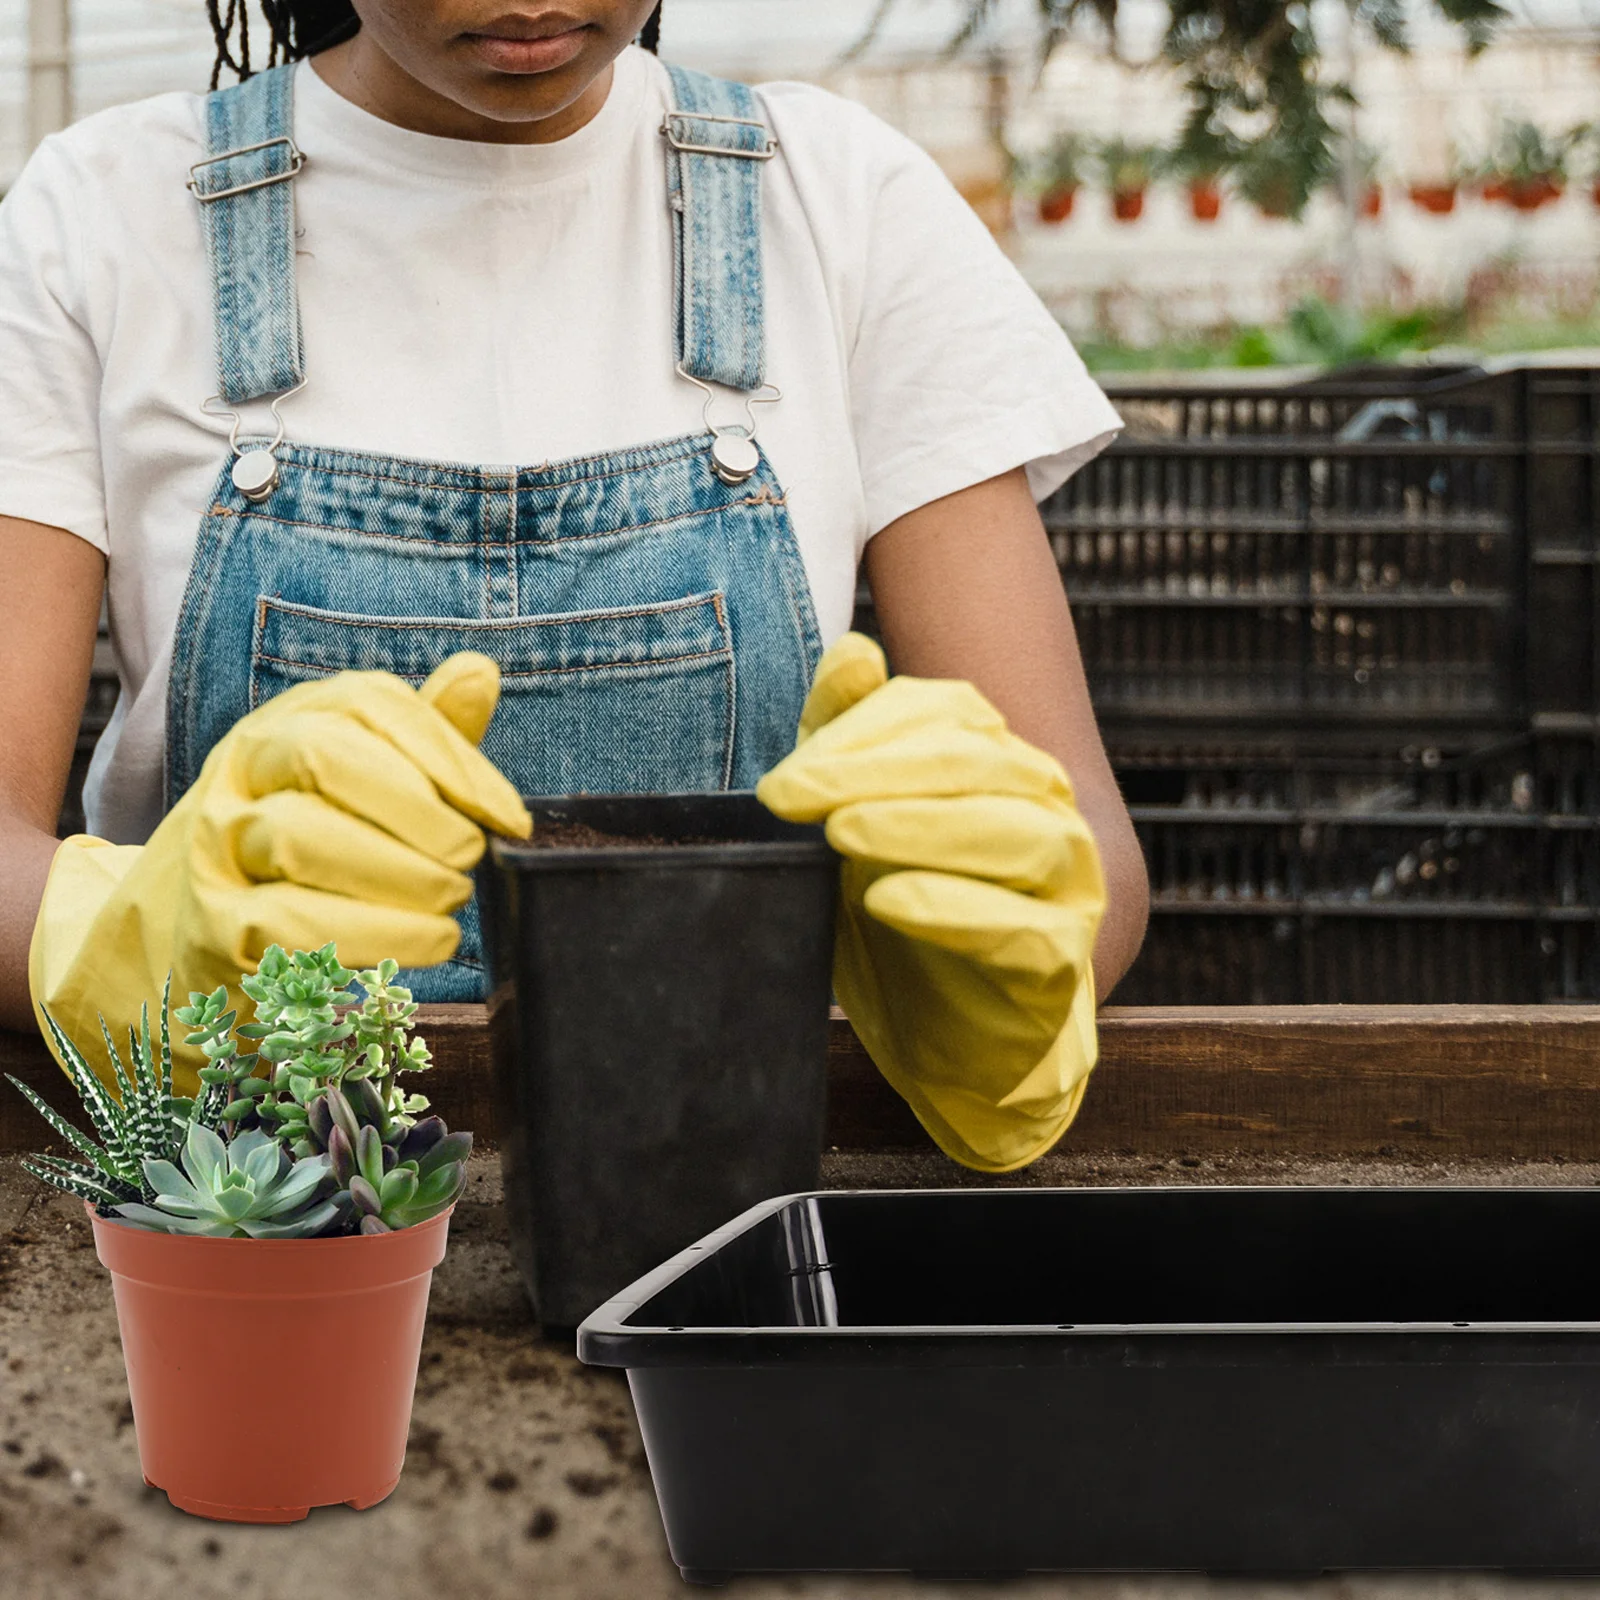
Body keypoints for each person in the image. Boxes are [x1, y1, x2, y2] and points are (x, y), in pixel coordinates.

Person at [0, 0, 1148, 1173]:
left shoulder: (845, 204)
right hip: (248, 1234)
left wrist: (994, 948)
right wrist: (144, 938)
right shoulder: (102, 217)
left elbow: (1087, 853)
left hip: (722, 1203)